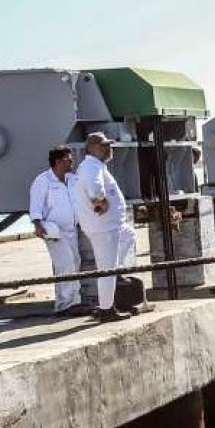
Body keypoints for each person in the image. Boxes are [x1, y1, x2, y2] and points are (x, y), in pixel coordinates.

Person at [73, 132, 136, 322]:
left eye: (109, 145)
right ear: (92, 148)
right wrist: (100, 201)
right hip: (103, 227)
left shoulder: (96, 165)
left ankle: (117, 272)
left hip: (111, 226)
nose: (109, 148)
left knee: (128, 235)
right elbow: (95, 190)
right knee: (106, 270)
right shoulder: (91, 167)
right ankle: (106, 310)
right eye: (104, 145)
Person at [28, 145, 85, 317]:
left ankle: (74, 301)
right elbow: (35, 205)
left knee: (75, 263)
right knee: (65, 264)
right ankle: (65, 304)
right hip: (53, 231)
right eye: (69, 159)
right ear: (58, 161)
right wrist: (37, 225)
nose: (72, 162)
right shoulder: (43, 180)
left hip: (72, 230)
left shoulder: (72, 179)